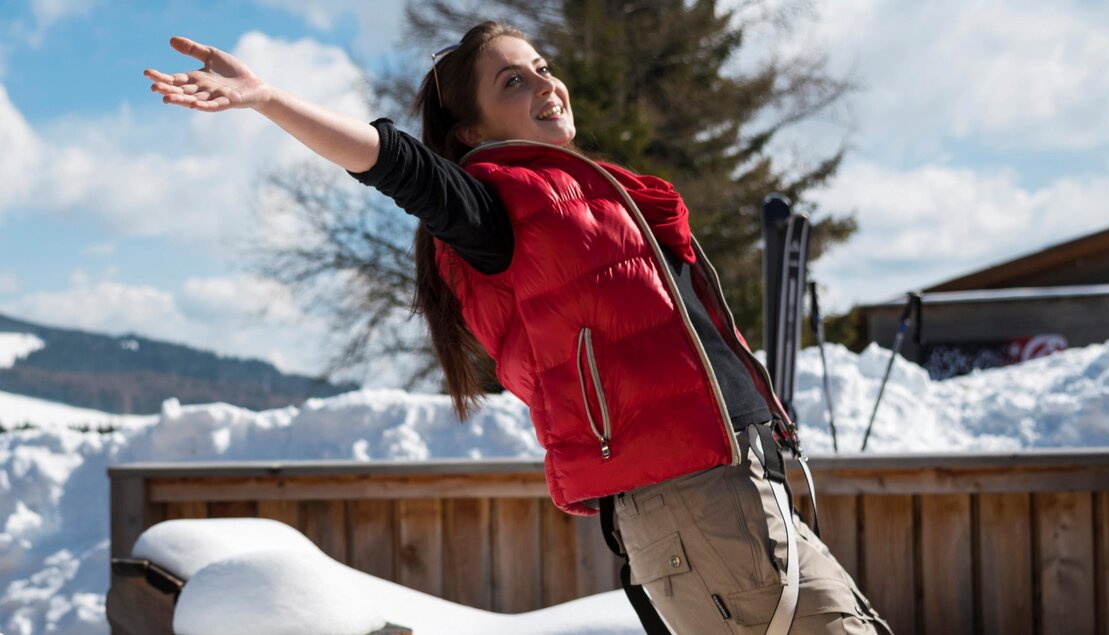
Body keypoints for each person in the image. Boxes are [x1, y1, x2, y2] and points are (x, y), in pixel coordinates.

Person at [146, 21, 892, 635]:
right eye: (514, 81)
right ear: (471, 130)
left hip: (741, 482)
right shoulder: (495, 211)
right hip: (692, 502)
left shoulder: (606, 198)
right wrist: (269, 97)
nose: (545, 84)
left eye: (541, 67)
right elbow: (396, 163)